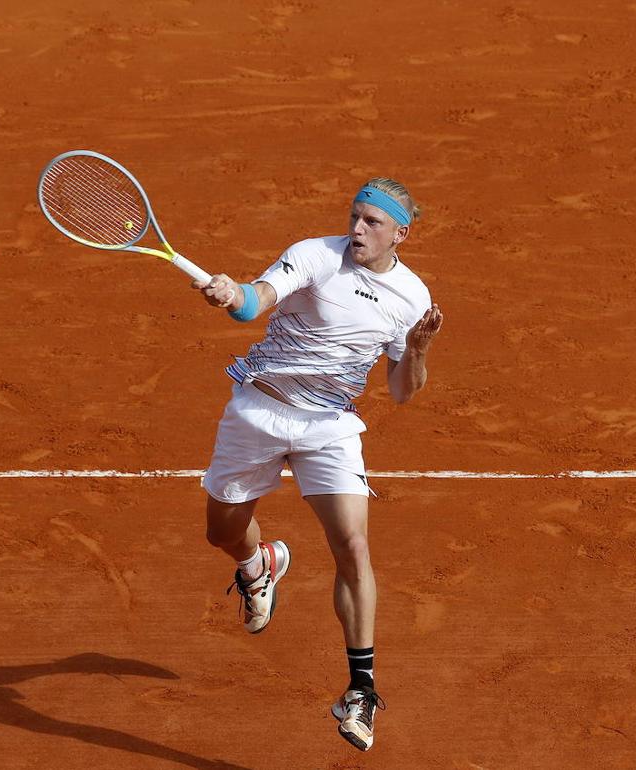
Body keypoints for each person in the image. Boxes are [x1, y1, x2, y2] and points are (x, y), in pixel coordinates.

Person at [192, 178, 443, 752]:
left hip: (330, 426)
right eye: (355, 217)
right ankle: (260, 564)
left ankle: (361, 686)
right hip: (259, 407)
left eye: (372, 223)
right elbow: (256, 300)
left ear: (399, 234)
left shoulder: (412, 297)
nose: (357, 230)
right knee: (221, 531)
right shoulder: (315, 255)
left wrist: (421, 351)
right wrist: (234, 294)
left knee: (352, 544)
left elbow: (403, 391)